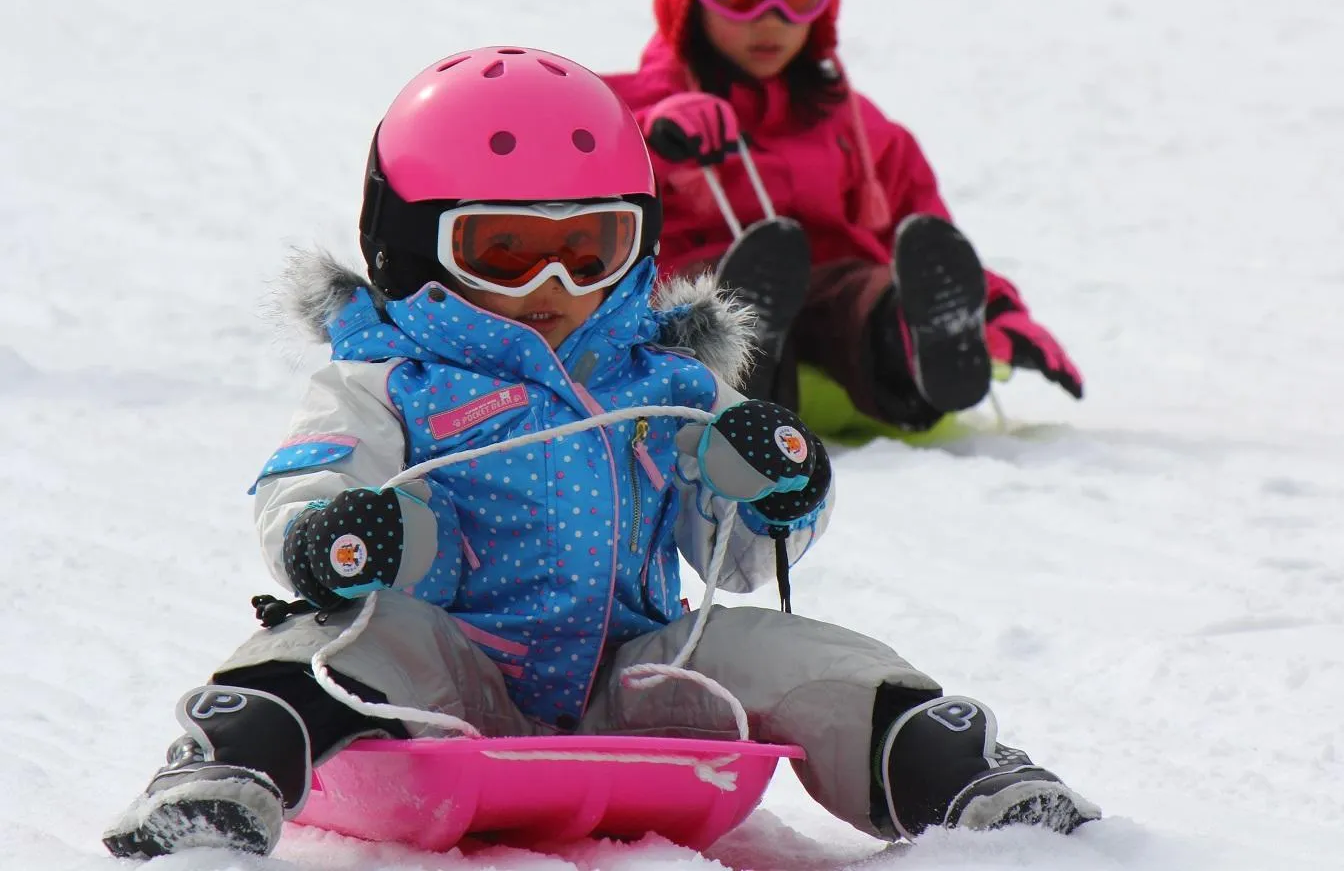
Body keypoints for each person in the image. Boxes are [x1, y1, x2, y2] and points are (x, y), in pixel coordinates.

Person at [101, 47, 1098, 859]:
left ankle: (952, 772)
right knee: (349, 639)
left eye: (591, 250)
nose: (551, 282)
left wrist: (771, 486)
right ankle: (224, 773)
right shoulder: (388, 378)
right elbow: (307, 481)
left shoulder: (662, 382)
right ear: (410, 246)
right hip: (449, 680)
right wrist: (335, 536)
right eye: (502, 251)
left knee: (786, 650)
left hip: (633, 676)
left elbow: (740, 557)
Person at [603, 0, 1084, 428]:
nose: (771, 17)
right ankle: (745, 372)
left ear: (823, 1)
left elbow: (922, 227)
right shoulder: (623, 112)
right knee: (712, 297)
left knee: (864, 289)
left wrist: (997, 312)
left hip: (832, 294)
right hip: (708, 303)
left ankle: (914, 347)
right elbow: (577, 199)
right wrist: (654, 139)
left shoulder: (854, 126)